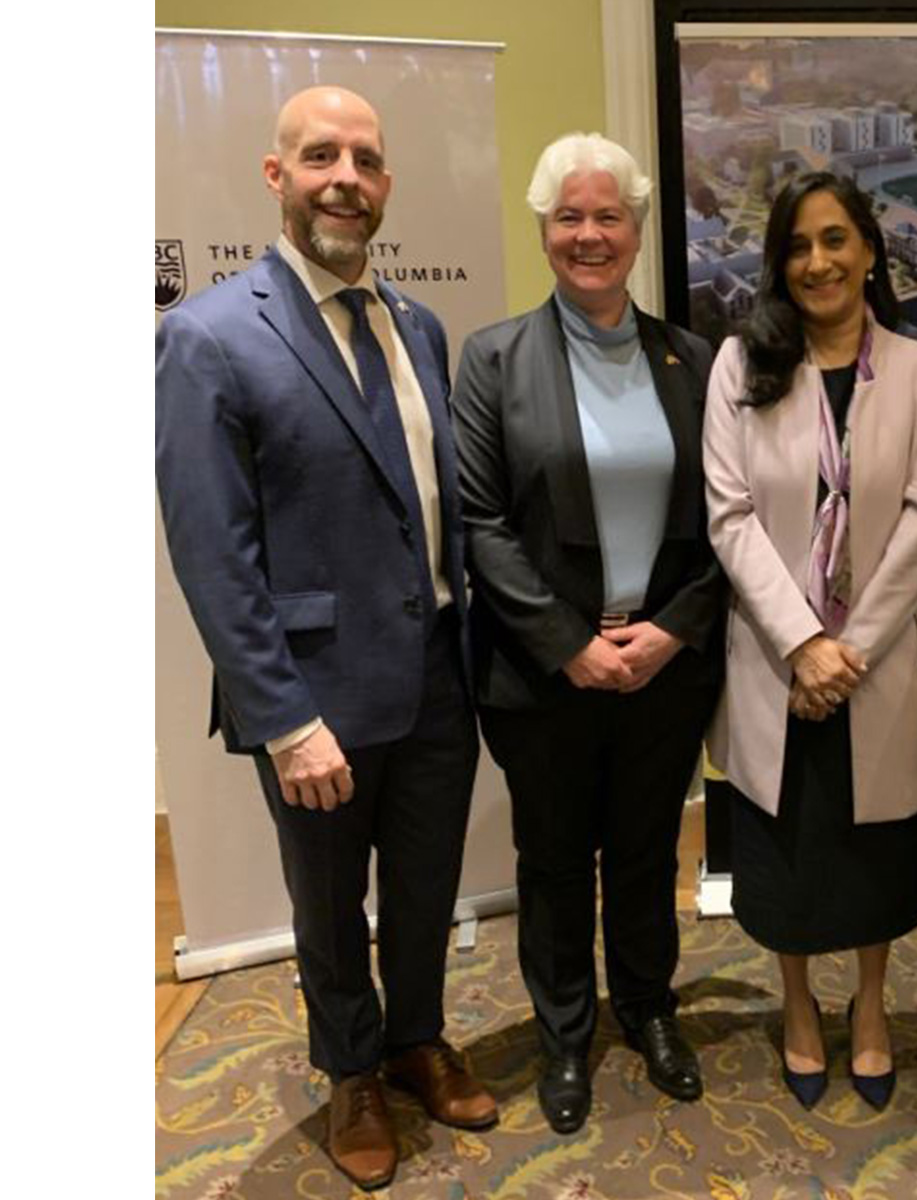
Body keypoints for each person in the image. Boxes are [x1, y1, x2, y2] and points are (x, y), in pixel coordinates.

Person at [155, 86, 495, 1191]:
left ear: (386, 184)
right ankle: (350, 1071)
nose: (345, 175)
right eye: (320, 156)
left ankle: (414, 1041)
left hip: (438, 672)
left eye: (365, 158)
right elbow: (213, 553)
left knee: (427, 885)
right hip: (313, 698)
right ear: (276, 177)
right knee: (328, 905)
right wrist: (284, 719)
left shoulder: (418, 325)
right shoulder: (206, 336)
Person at [450, 133, 724, 1137]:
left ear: (639, 231)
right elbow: (478, 522)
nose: (590, 234)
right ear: (543, 230)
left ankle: (649, 1009)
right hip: (542, 672)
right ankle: (565, 1030)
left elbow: (723, 520)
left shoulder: (692, 360)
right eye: (570, 216)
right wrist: (571, 643)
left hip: (664, 666)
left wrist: (669, 633)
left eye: (608, 216)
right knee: (555, 857)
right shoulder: (492, 359)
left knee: (648, 850)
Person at [702, 172, 917, 1112]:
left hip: (878, 664)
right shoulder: (742, 366)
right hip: (779, 663)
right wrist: (805, 643)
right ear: (780, 263)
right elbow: (729, 519)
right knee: (789, 848)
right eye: (799, 246)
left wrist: (846, 652)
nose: (819, 262)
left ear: (870, 252)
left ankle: (871, 1003)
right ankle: (801, 1005)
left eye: (837, 240)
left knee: (876, 849)